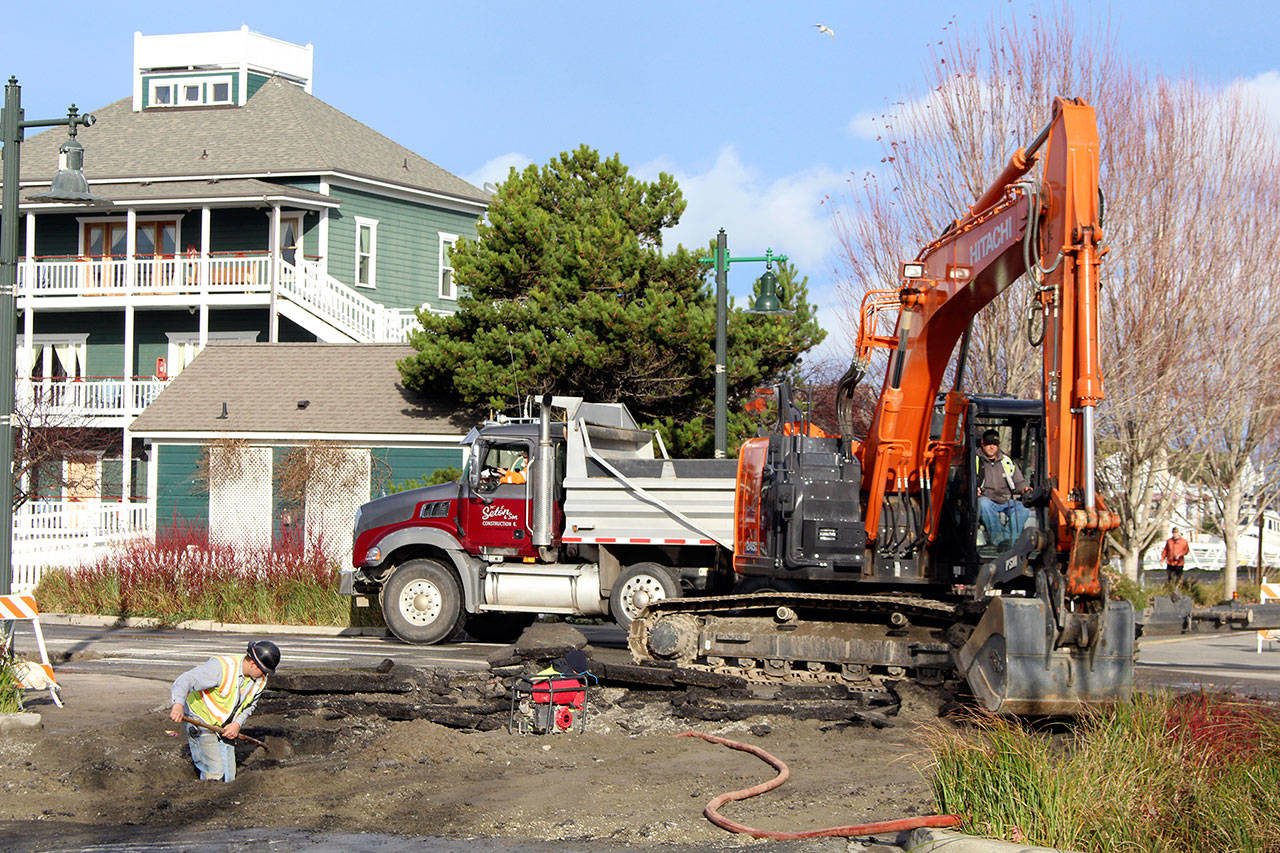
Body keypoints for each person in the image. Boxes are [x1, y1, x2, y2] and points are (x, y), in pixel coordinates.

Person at [168, 640, 279, 782]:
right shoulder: (222, 668)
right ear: (252, 664)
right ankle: (206, 801)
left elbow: (249, 706)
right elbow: (185, 679)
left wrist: (237, 724)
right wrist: (178, 704)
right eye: (263, 671)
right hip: (201, 720)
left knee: (229, 778)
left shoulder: (259, 680)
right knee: (214, 773)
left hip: (224, 725)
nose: (265, 675)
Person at [975, 428, 1030, 549]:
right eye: (989, 444)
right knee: (983, 504)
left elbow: (1019, 481)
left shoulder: (1006, 461)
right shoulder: (975, 460)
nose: (991, 447)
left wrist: (1025, 488)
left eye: (994, 444)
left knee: (1024, 509)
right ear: (982, 443)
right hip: (987, 498)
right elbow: (964, 480)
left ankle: (1008, 541)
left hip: (1005, 500)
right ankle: (999, 541)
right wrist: (974, 489)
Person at [1162, 528, 1190, 592]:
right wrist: (1162, 559)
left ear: (1179, 533)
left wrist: (1180, 554)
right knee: (1170, 577)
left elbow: (1186, 550)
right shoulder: (1169, 541)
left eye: (1176, 533)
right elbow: (1165, 550)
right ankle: (1170, 590)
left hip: (1179, 563)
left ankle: (1177, 590)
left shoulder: (1184, 541)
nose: (1175, 534)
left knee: (1178, 578)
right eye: (1174, 533)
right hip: (1170, 562)